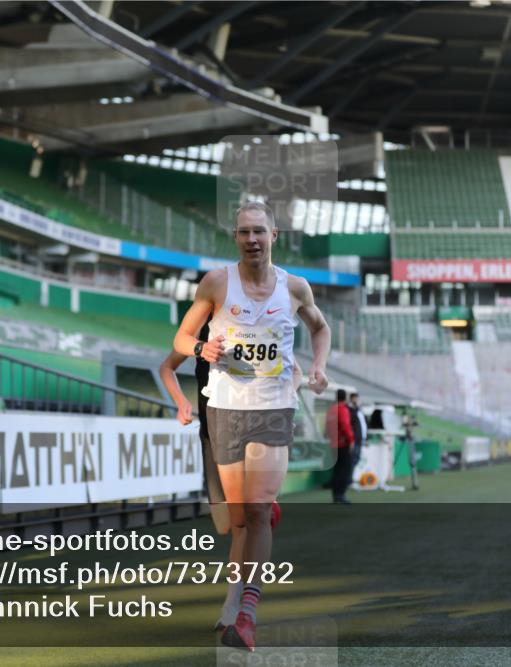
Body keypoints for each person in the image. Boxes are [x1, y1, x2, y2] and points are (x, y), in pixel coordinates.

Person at [172, 201, 331, 651]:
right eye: (244, 232)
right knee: (238, 518)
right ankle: (244, 574)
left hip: (273, 406)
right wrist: (201, 348)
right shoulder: (216, 283)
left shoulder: (295, 287)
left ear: (273, 235)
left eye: (259, 231)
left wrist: (318, 366)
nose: (252, 239)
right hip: (225, 408)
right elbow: (181, 338)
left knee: (258, 510)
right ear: (236, 237)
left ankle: (247, 615)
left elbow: (320, 329)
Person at [158, 319, 302, 631]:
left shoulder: (257, 328)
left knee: (242, 526)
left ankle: (232, 606)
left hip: (254, 429)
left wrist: (283, 404)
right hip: (213, 434)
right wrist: (181, 403)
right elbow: (166, 368)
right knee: (225, 524)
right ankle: (262, 510)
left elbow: (296, 371)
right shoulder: (200, 333)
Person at [326, 389, 354, 504]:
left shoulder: (331, 409)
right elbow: (345, 425)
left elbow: (327, 426)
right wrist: (351, 440)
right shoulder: (342, 409)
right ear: (345, 397)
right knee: (345, 470)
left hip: (333, 444)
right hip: (343, 444)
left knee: (337, 470)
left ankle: (336, 494)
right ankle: (341, 495)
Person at [349, 392, 367, 470]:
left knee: (357, 458)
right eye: (355, 399)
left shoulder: (360, 411)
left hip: (360, 438)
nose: (356, 400)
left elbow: (363, 424)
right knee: (353, 458)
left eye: (357, 399)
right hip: (354, 438)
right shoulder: (351, 410)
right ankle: (350, 475)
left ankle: (352, 474)